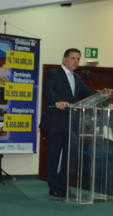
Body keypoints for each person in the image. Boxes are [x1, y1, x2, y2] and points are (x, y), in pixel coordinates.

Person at [39, 49, 94, 197]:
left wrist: (105, 100)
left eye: (78, 59)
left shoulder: (77, 78)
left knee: (70, 157)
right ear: (64, 60)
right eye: (73, 58)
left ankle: (64, 186)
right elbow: (48, 91)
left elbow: (88, 93)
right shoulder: (53, 73)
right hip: (55, 122)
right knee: (53, 156)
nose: (76, 61)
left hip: (71, 123)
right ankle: (53, 186)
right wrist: (58, 101)